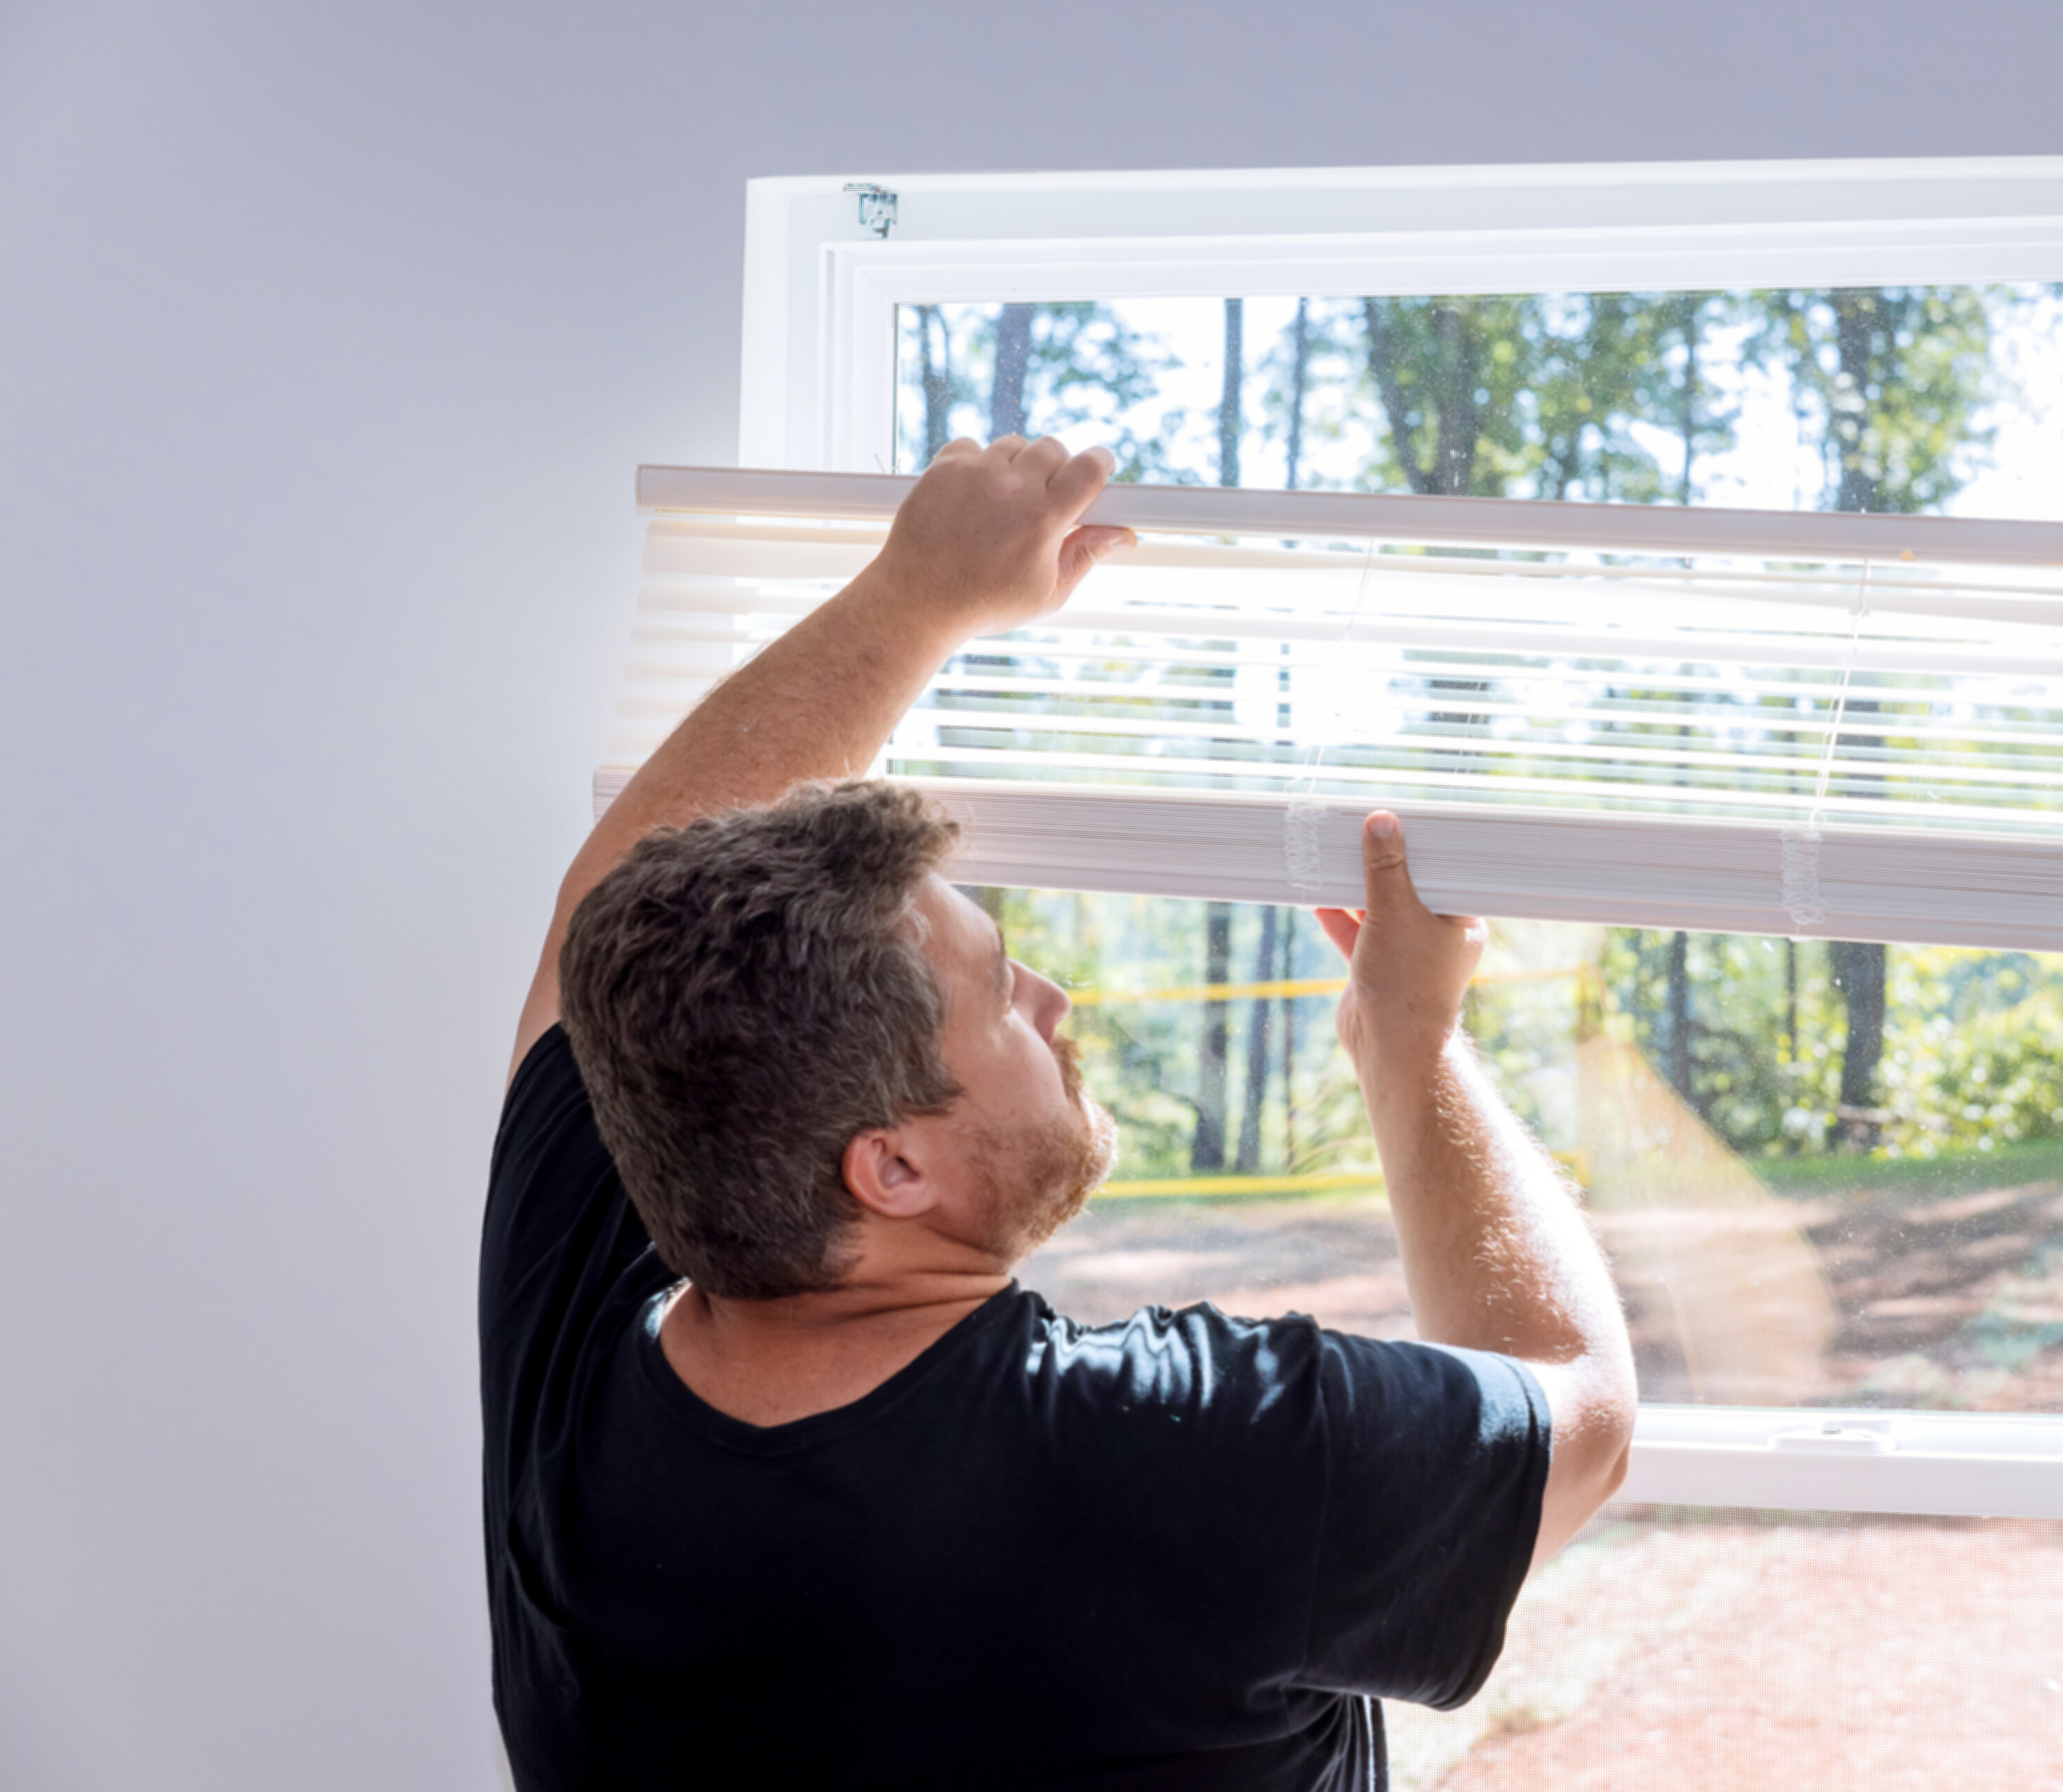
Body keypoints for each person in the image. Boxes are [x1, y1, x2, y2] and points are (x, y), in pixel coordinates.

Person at [482, 435, 1637, 1790]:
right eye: (997, 992)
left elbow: (607, 918)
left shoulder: (579, 1373)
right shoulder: (1178, 1462)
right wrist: (1414, 1046)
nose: (1053, 996)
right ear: (892, 1164)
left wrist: (911, 599)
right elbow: (1583, 1410)